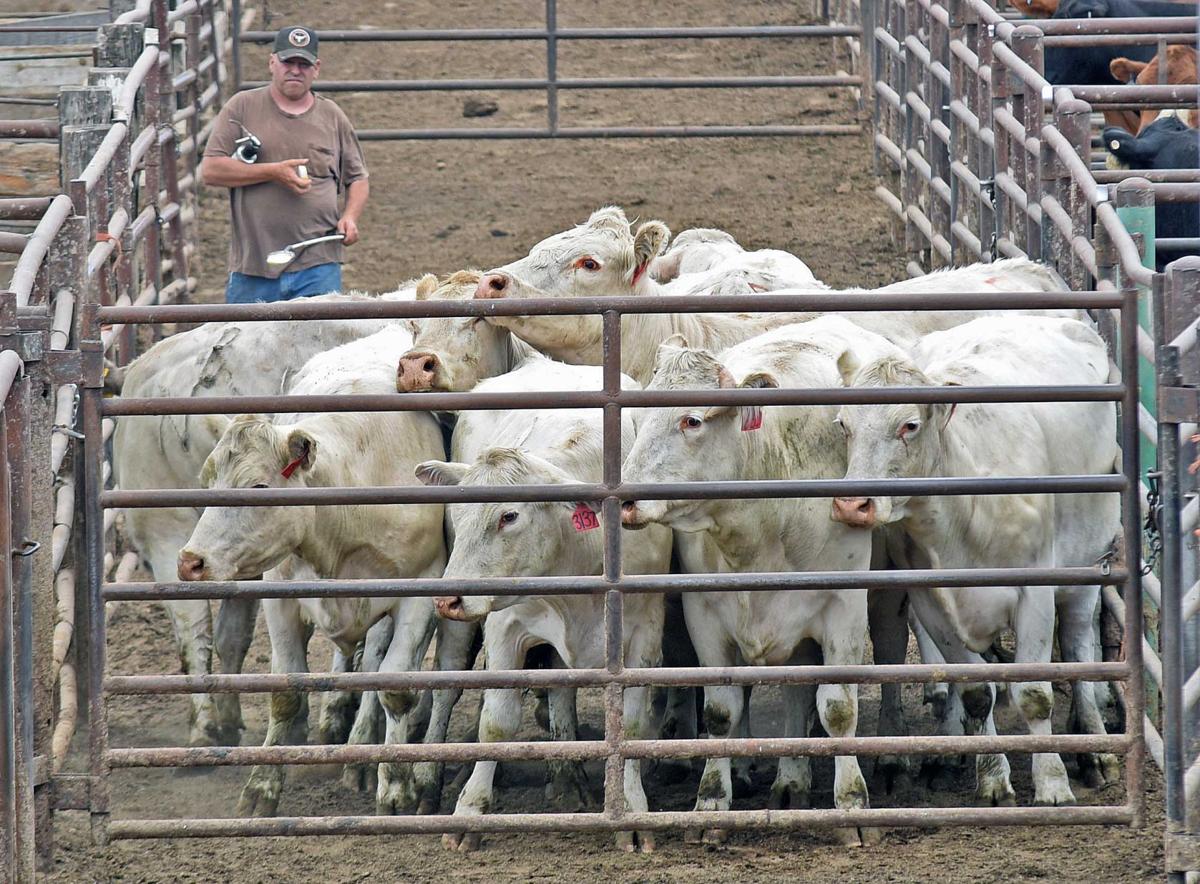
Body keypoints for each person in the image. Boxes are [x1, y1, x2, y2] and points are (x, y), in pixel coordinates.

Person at [201, 25, 369, 303]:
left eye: (303, 64)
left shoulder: (332, 116)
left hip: (318, 262)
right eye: (288, 62)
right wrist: (272, 172)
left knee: (319, 344)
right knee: (247, 343)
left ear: (316, 68)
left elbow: (358, 178)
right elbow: (211, 170)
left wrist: (350, 217)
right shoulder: (241, 107)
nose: (295, 70)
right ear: (272, 63)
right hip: (254, 265)